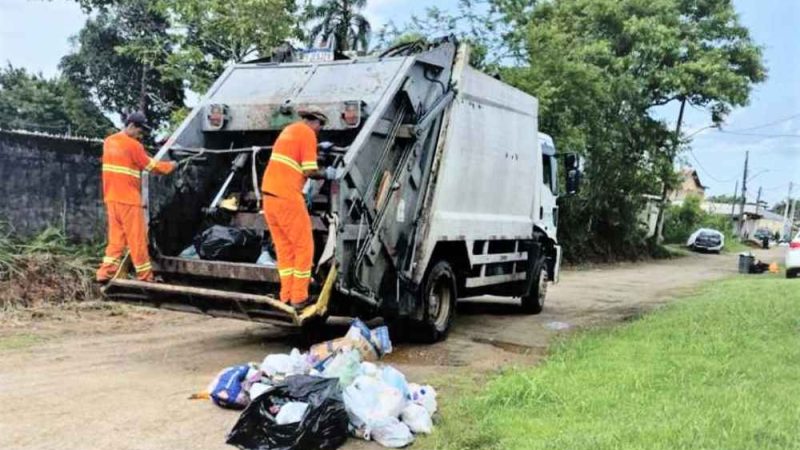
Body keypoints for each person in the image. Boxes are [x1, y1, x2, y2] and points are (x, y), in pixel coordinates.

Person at [261, 106, 335, 310]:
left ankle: (286, 295)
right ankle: (299, 297)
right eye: (321, 126)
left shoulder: (289, 130)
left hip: (269, 196)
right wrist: (329, 173)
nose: (319, 131)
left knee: (285, 249)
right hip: (287, 196)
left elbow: (294, 160)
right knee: (304, 247)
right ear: (316, 122)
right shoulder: (308, 134)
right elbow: (310, 170)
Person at [95, 112, 177, 283]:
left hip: (111, 198)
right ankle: (146, 277)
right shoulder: (133, 146)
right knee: (137, 239)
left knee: (116, 239)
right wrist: (171, 166)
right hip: (129, 201)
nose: (141, 136)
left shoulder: (109, 142)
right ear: (131, 125)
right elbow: (151, 165)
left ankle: (105, 273)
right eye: (140, 132)